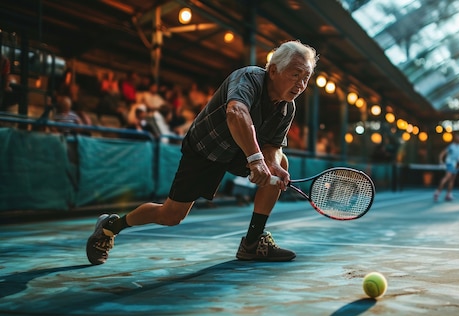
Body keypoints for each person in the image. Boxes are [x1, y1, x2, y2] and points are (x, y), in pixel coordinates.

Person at [86, 40, 318, 265]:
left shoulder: (288, 108)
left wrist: (273, 164)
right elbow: (236, 111)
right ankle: (111, 226)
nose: (300, 84)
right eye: (295, 74)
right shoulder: (248, 77)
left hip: (238, 151)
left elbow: (273, 147)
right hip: (206, 147)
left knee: (282, 162)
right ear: (275, 70)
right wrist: (256, 159)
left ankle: (252, 242)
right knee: (171, 216)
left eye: (306, 78)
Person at [434, 132, 459, 202]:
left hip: (457, 165)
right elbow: (442, 153)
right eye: (457, 137)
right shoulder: (451, 146)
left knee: (452, 180)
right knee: (447, 177)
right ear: (455, 139)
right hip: (450, 164)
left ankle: (448, 195)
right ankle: (437, 192)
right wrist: (440, 160)